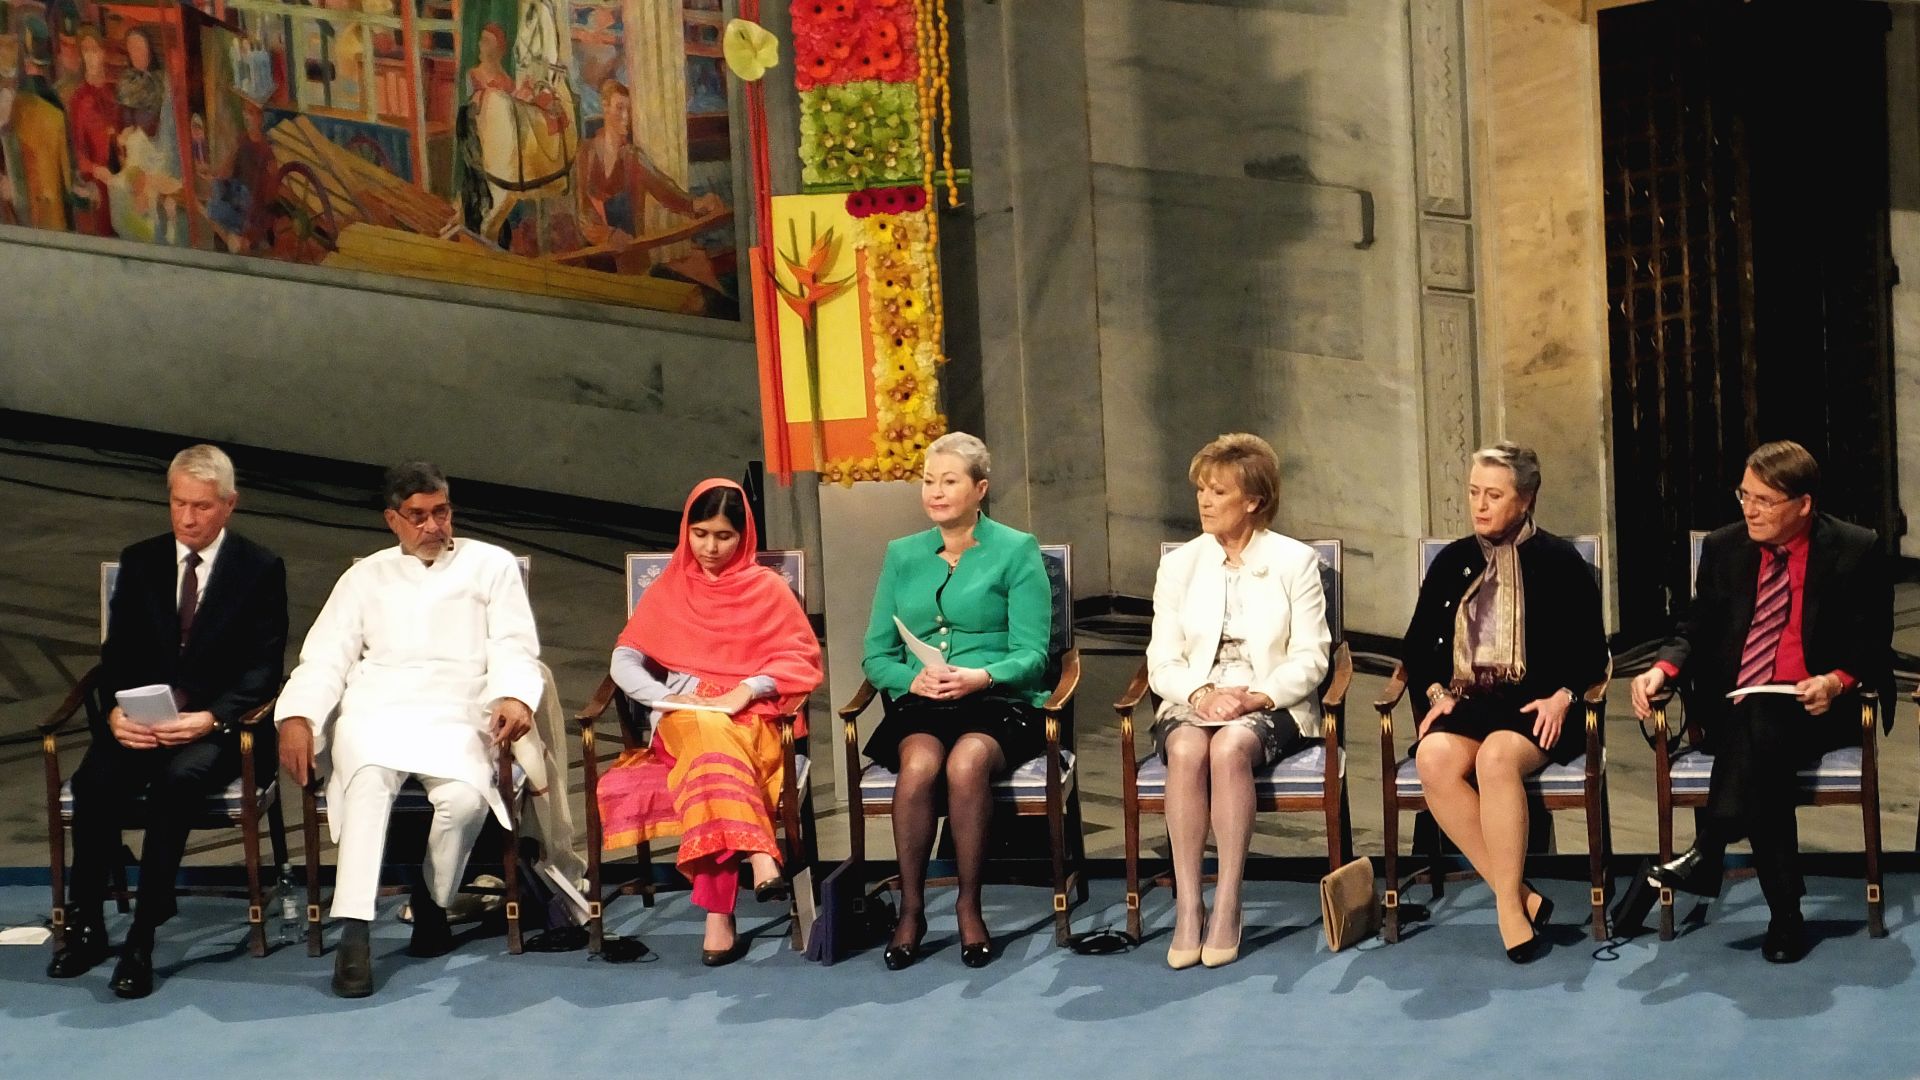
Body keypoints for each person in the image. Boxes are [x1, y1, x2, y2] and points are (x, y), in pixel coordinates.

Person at [275, 461, 541, 998]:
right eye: (417, 516)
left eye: (440, 512)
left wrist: (513, 695)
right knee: (369, 784)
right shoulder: (364, 576)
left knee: (465, 801)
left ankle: (432, 901)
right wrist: (297, 716)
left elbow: (514, 643)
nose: (432, 526)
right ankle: (355, 933)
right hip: (379, 709)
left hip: (458, 708)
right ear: (392, 520)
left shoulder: (490, 565)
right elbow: (326, 656)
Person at [1631, 440, 1891, 963]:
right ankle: (1782, 914)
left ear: (1804, 504)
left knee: (1762, 722)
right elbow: (1694, 625)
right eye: (1744, 496)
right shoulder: (1727, 546)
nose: (1749, 510)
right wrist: (1662, 668)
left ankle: (1711, 850)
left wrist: (1836, 682)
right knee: (1758, 731)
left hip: (1816, 704)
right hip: (1737, 706)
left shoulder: (1855, 547)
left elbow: (1873, 642)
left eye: (1764, 500)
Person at [47, 445, 288, 999]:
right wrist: (114, 712)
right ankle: (85, 922)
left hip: (215, 728)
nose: (186, 518)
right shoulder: (141, 560)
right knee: (94, 782)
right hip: (143, 719)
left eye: (201, 507)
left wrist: (210, 719)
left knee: (178, 785)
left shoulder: (259, 569)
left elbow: (263, 669)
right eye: (178, 504)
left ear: (229, 505)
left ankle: (142, 936)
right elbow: (117, 656)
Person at [598, 479, 822, 965]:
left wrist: (749, 687)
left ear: (744, 537)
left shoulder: (766, 589)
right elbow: (624, 659)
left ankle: (718, 915)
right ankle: (762, 854)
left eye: (723, 536)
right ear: (686, 531)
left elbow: (800, 659)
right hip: (682, 720)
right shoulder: (671, 586)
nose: (710, 548)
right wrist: (666, 699)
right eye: (700, 534)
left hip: (750, 719)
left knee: (712, 755)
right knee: (706, 729)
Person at [1402, 442, 1607, 963]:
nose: (1480, 506)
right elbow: (1417, 646)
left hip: (1537, 704)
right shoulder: (1452, 561)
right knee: (1432, 758)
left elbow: (1593, 654)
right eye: (1473, 493)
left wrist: (1564, 697)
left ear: (1527, 498)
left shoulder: (1562, 562)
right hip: (1468, 701)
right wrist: (1434, 693)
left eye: (1494, 494)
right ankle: (1516, 892)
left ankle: (1508, 911)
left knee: (1496, 756)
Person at [860, 432, 1052, 970]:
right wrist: (909, 680)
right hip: (924, 701)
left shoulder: (1016, 550)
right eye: (929, 481)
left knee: (967, 763)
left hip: (997, 698)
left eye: (949, 481)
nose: (936, 492)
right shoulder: (902, 554)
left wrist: (981, 676)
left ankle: (970, 905)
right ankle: (913, 911)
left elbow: (1033, 654)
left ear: (979, 489)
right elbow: (875, 654)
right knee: (919, 765)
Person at [1146, 433, 1328, 969]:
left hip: (1270, 699)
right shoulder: (1180, 565)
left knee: (1228, 749)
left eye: (1217, 491)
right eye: (1201, 489)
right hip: (1193, 694)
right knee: (1185, 751)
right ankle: (1187, 905)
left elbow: (1313, 657)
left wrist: (1254, 696)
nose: (1203, 501)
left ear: (1253, 500)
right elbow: (1162, 660)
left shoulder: (1295, 562)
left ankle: (1227, 899)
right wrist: (1201, 692)